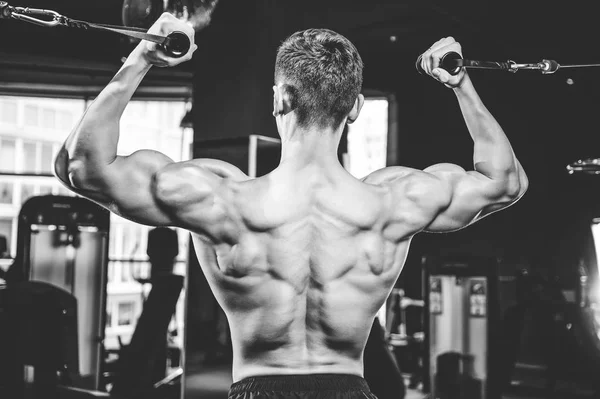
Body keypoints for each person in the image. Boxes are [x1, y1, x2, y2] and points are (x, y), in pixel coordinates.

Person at [54, 12, 528, 399]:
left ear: (280, 98)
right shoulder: (394, 200)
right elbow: (505, 182)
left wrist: (142, 57)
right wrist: (461, 83)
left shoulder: (220, 198)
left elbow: (82, 167)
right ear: (357, 107)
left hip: (255, 387)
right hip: (350, 386)